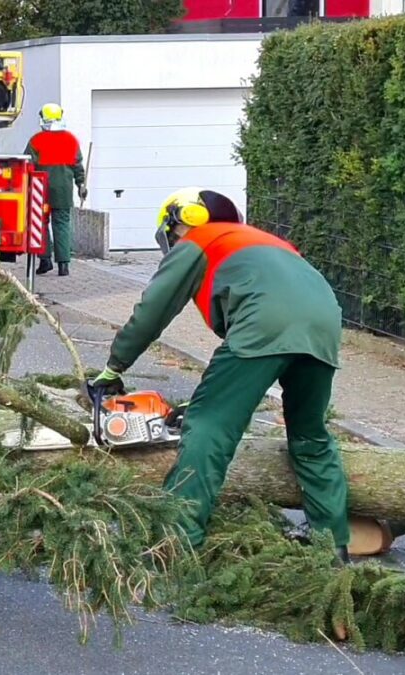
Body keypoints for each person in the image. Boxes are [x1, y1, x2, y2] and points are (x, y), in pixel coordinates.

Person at [89, 187, 351, 562]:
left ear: (177, 225)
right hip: (325, 324)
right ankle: (333, 544)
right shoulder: (266, 242)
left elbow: (153, 311)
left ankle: (177, 542)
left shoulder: (198, 240)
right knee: (310, 433)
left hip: (265, 324)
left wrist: (114, 367)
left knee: (209, 423)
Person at [23, 103, 87, 277]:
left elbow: (28, 164)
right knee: (62, 224)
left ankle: (45, 260)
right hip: (64, 191)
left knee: (41, 224)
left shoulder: (36, 140)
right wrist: (81, 185)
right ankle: (64, 265)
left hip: (40, 189)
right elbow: (78, 166)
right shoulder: (71, 140)